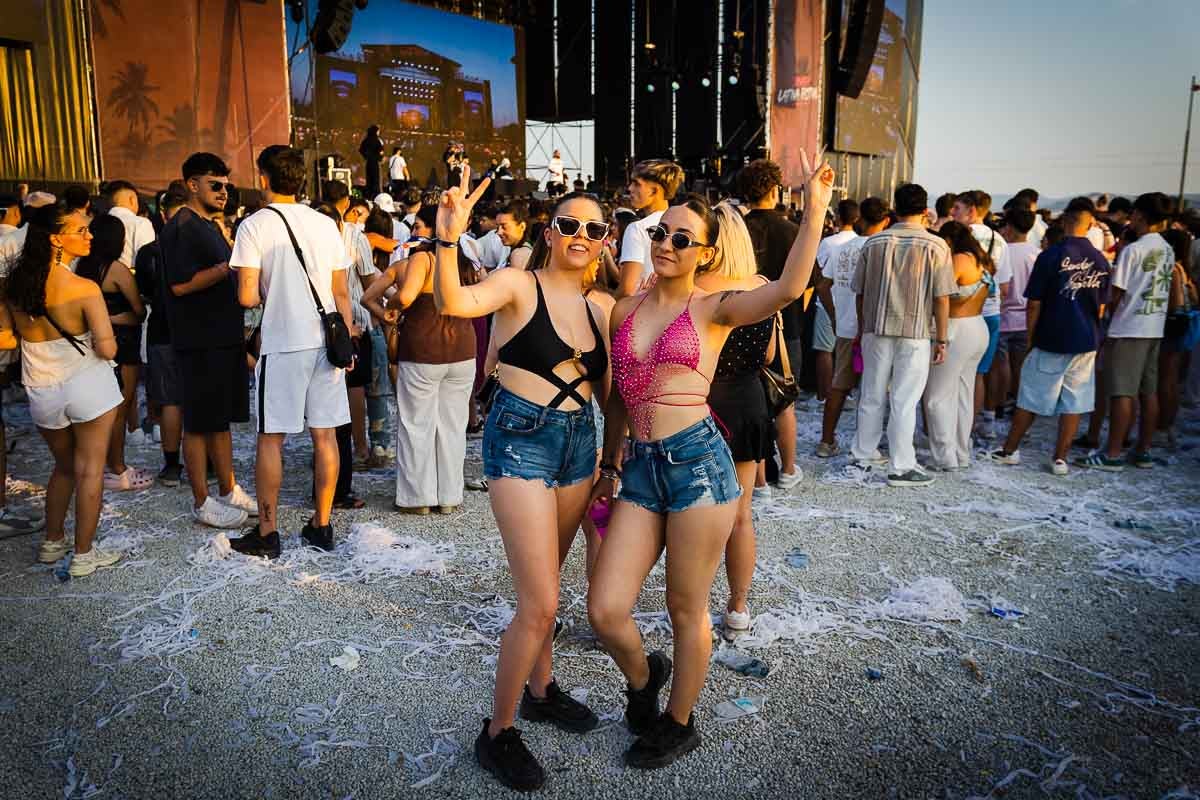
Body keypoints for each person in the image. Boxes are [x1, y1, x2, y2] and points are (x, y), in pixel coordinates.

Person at [584, 153, 830, 771]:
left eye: (681, 238)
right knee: (606, 609)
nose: (666, 242)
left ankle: (678, 720)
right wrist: (610, 465)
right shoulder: (625, 308)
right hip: (640, 467)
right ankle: (645, 678)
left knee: (685, 608)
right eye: (660, 232)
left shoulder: (713, 308)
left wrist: (816, 210)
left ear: (706, 254)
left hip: (699, 467)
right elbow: (617, 398)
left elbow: (790, 288)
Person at [433, 176, 610, 791]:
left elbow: (614, 388)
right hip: (521, 439)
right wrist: (445, 237)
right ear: (549, 231)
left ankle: (541, 690)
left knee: (549, 586)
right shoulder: (517, 283)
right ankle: (498, 731)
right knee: (540, 603)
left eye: (593, 228)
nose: (579, 236)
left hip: (577, 446)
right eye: (568, 225)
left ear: (605, 240)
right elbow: (454, 303)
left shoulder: (601, 308)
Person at [228, 145, 354, 557]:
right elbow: (341, 292)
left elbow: (247, 297)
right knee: (325, 436)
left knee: (271, 439)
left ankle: (267, 533)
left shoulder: (254, 225)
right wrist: (347, 338)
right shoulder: (325, 224)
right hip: (327, 342)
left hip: (282, 344)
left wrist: (270, 288)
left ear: (264, 177)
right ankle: (321, 525)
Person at [0, 203, 123, 576]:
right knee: (90, 470)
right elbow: (107, 349)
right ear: (56, 239)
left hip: (41, 388)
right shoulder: (84, 287)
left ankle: (52, 542)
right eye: (81, 231)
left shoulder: (12, 285)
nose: (90, 236)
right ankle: (84, 554)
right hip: (88, 384)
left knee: (64, 467)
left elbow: (6, 340)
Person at [160, 152, 257, 529]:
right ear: (192, 185)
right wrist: (227, 267)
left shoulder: (209, 225)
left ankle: (228, 489)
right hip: (198, 339)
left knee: (220, 422)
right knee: (199, 423)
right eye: (215, 184)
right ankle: (202, 500)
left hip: (222, 336)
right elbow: (180, 286)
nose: (223, 191)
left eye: (226, 185)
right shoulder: (182, 227)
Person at [694, 203, 776, 639]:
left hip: (699, 404)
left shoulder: (693, 289)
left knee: (697, 513)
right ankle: (738, 608)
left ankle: (695, 608)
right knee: (740, 515)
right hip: (747, 403)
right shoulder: (760, 287)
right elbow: (767, 356)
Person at [363, 205, 476, 514]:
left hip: (424, 348)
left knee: (417, 424)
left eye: (418, 225)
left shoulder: (422, 259)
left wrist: (393, 308)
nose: (413, 232)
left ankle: (418, 498)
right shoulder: (466, 262)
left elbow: (407, 295)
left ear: (433, 227)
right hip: (463, 350)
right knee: (453, 425)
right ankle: (449, 497)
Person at [988, 199, 1110, 473]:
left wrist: (1031, 338)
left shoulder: (1051, 256)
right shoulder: (1100, 259)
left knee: (1030, 397)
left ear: (1065, 222)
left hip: (1052, 336)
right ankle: (1060, 458)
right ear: (1089, 225)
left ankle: (1010, 450)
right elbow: (1102, 307)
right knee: (1074, 401)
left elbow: (1034, 304)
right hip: (1086, 339)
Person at [852, 183, 956, 486]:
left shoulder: (872, 243)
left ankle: (863, 454)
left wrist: (861, 329)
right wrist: (943, 338)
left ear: (894, 209)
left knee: (871, 395)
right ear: (925, 211)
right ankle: (901, 465)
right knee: (904, 400)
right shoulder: (937, 246)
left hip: (875, 328)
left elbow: (860, 293)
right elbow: (942, 297)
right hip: (916, 331)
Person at [1077, 192, 1174, 471]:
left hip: (1129, 327)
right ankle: (1142, 450)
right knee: (1148, 392)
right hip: (1154, 327)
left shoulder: (1133, 250)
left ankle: (1113, 453)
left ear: (1141, 215)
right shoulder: (1166, 248)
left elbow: (1116, 293)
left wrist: (1102, 319)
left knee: (1121, 392)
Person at [740, 159, 805, 490]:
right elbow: (805, 285)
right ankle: (790, 470)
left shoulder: (736, 229)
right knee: (783, 400)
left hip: (741, 322)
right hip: (785, 325)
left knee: (751, 403)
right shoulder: (792, 230)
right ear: (775, 189)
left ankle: (760, 480)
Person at [74, 215, 151, 492]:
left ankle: (100, 464)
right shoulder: (116, 270)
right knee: (121, 408)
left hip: (90, 346)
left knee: (99, 408)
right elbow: (138, 312)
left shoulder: (81, 266)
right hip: (123, 345)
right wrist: (114, 317)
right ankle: (117, 468)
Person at [818, 197, 890, 457]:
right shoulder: (882, 248)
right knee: (877, 388)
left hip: (846, 326)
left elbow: (822, 286)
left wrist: (835, 314)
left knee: (840, 385)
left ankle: (826, 441)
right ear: (885, 220)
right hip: (876, 328)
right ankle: (870, 443)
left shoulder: (843, 248)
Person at [309, 201, 369, 512]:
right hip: (333, 340)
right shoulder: (335, 252)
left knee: (318, 427)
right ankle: (336, 492)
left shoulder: (296, 251)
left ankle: (327, 488)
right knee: (334, 425)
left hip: (301, 341)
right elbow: (341, 293)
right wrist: (348, 336)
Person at [922, 221, 989, 470]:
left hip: (957, 330)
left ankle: (944, 457)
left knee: (936, 397)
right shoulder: (981, 259)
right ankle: (961, 453)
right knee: (962, 395)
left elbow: (939, 293)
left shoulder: (959, 259)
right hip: (978, 326)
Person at [325, 180, 381, 477]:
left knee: (324, 389)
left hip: (319, 322)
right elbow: (368, 281)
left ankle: (326, 450)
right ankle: (360, 448)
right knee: (356, 386)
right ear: (346, 203)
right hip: (354, 320)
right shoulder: (354, 237)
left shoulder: (309, 233)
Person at [135, 187, 188, 486]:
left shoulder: (148, 252)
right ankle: (205, 463)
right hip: (196, 329)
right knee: (195, 398)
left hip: (161, 329)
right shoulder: (202, 247)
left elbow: (144, 291)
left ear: (164, 214)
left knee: (169, 400)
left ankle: (172, 466)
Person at [951, 190, 1011, 441]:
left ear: (972, 210)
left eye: (957, 208)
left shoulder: (960, 238)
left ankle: (949, 426)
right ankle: (971, 426)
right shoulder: (1000, 240)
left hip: (961, 312)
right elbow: (1005, 286)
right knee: (978, 374)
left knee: (951, 374)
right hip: (991, 313)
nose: (952, 213)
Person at [814, 200, 860, 402]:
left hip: (828, 302)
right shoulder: (863, 243)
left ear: (838, 218)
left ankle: (824, 394)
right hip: (853, 303)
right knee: (848, 349)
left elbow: (819, 274)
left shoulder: (828, 243)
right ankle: (847, 392)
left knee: (825, 350)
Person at [617, 160, 685, 298]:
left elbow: (627, 291)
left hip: (641, 311)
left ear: (654, 191)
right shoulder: (686, 226)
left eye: (636, 184)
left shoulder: (637, 229)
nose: (630, 189)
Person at [1156, 229, 1197, 448]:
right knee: (1171, 380)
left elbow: (1175, 303)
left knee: (1165, 380)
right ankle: (1168, 426)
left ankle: (1162, 428)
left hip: (1171, 329)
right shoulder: (1185, 269)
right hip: (1183, 330)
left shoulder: (1172, 269)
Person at [996, 207, 1039, 413]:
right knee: (1020, 364)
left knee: (1001, 366)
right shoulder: (1037, 254)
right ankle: (1018, 403)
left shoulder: (1003, 251)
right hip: (1027, 317)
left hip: (1003, 315)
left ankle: (999, 402)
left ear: (1009, 226)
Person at [105, 180, 156, 271]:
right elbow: (147, 261)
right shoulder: (140, 223)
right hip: (130, 280)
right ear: (132, 199)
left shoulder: (96, 223)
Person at [495, 201, 533, 270]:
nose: (499, 232)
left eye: (504, 227)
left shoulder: (519, 254)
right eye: (497, 227)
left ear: (522, 226)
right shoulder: (515, 251)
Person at [359, 125, 385, 197]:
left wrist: (366, 156)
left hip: (368, 163)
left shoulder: (366, 140)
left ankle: (369, 195)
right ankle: (376, 196)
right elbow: (381, 151)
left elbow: (361, 150)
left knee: (369, 180)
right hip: (376, 162)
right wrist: (380, 157)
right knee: (376, 180)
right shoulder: (377, 140)